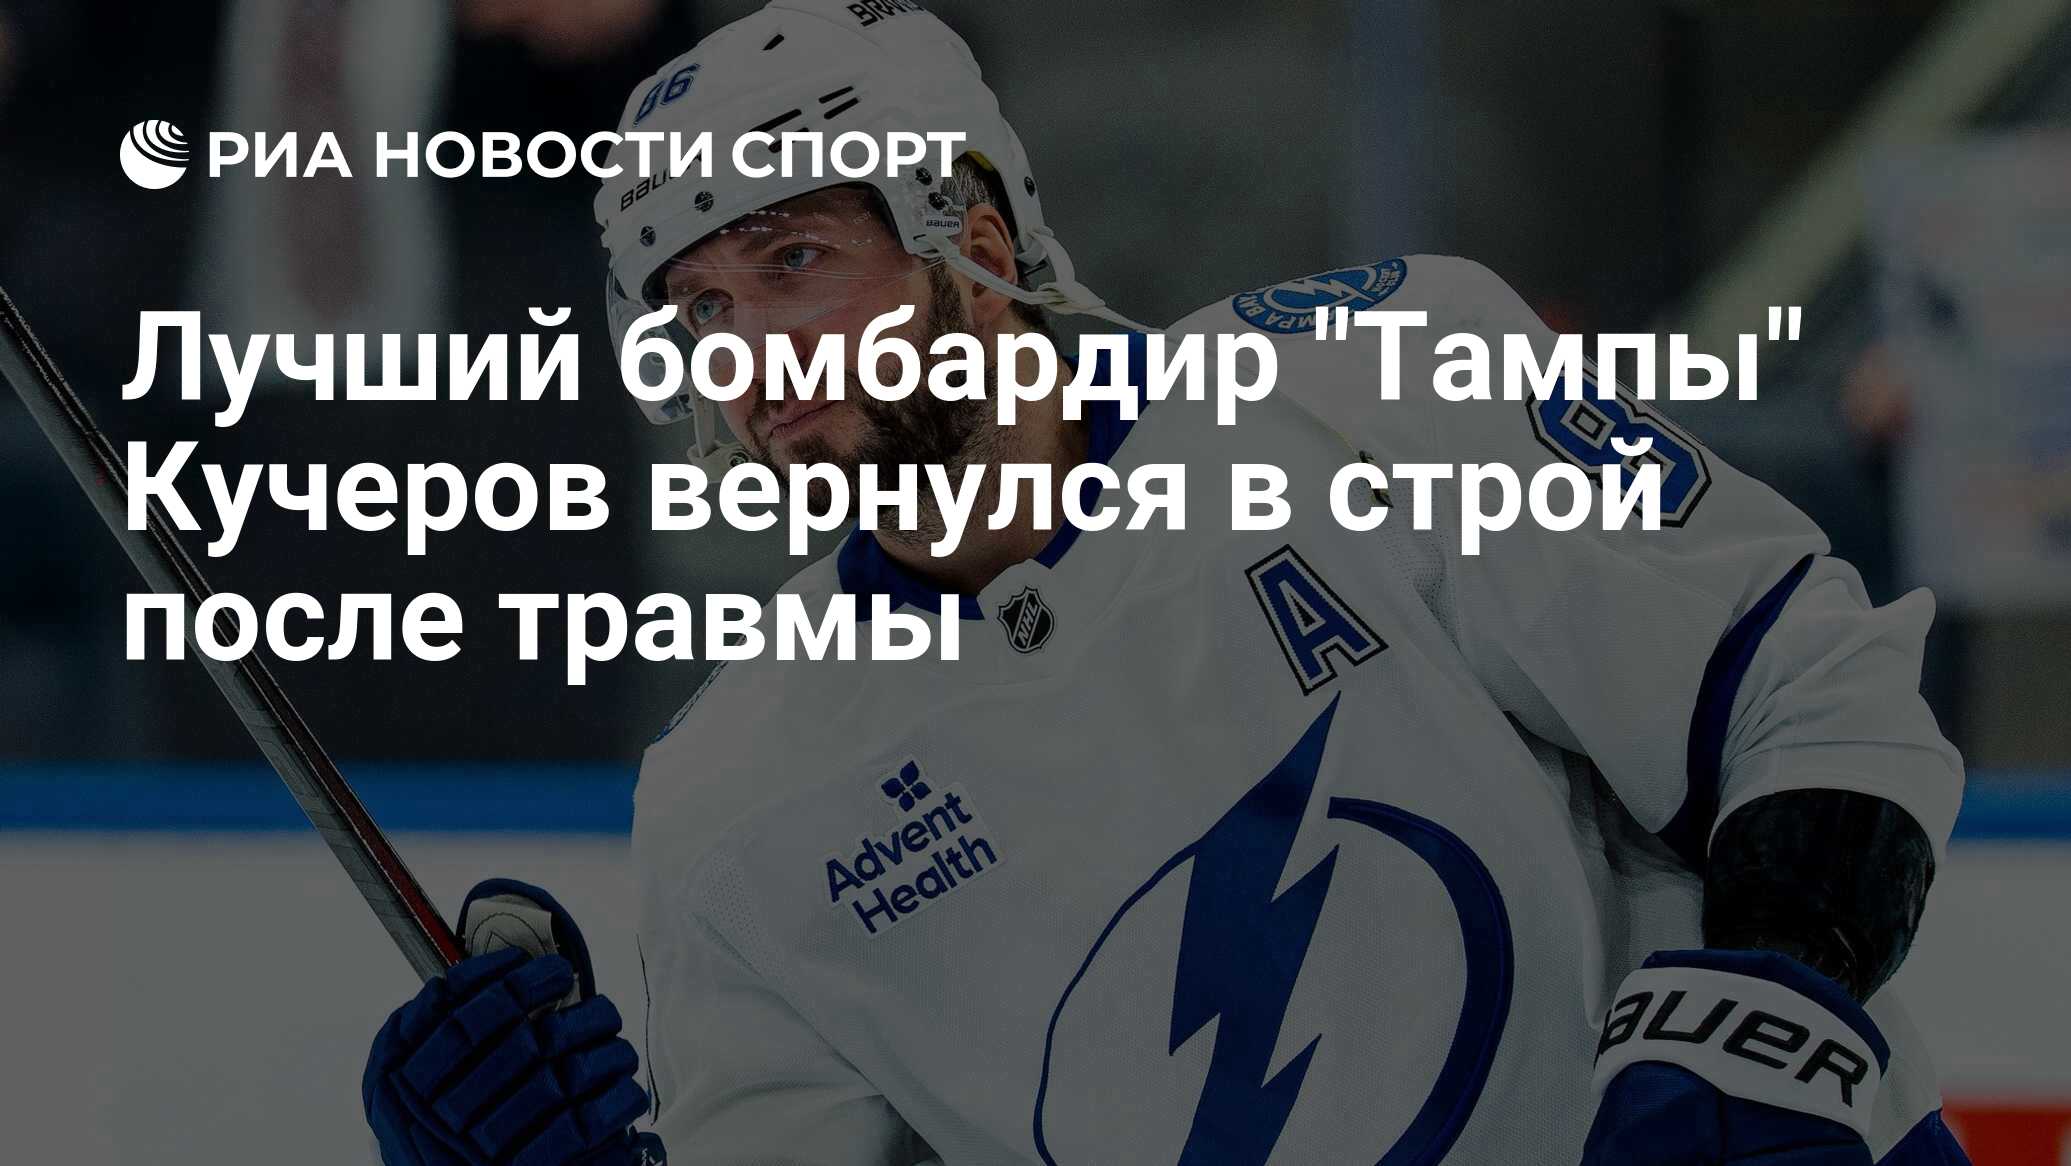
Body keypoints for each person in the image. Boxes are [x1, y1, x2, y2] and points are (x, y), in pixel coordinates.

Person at [362, 2, 1974, 1163]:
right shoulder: (732, 804)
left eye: (795, 261)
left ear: (975, 234)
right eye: (701, 308)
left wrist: (1773, 1003)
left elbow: (1794, 677)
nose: (750, 354)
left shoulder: (1373, 376)